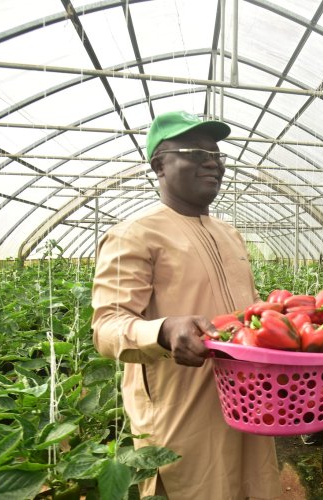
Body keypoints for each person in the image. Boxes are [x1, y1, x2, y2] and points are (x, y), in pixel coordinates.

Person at [91, 111, 281, 499]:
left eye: (217, 155)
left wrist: (279, 315)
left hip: (249, 399)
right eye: (195, 153)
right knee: (195, 486)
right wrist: (161, 330)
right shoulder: (135, 235)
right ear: (159, 165)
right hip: (183, 410)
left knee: (252, 484)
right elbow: (106, 327)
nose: (212, 162)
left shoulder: (229, 234)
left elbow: (245, 308)